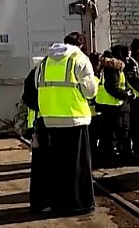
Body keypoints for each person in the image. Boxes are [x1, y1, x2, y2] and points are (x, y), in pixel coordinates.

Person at [23, 32, 97, 215]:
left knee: (57, 165)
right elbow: (90, 91)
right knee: (77, 165)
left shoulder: (44, 62)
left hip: (50, 120)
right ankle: (78, 203)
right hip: (74, 119)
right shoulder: (79, 59)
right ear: (81, 46)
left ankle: (58, 201)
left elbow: (34, 89)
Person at [95, 49, 134, 166]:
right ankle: (109, 159)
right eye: (127, 56)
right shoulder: (113, 68)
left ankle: (122, 156)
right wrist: (126, 94)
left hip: (115, 106)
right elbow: (111, 87)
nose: (128, 59)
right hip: (113, 106)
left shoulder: (115, 67)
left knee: (118, 133)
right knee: (113, 135)